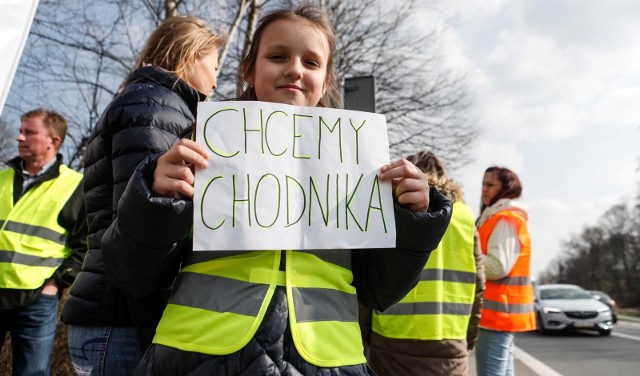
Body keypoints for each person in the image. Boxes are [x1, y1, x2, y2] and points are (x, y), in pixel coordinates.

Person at [101, 4, 452, 375]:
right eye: (278, 55)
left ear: (326, 81)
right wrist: (156, 201)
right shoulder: (201, 148)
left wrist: (413, 219)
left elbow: (380, 291)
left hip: (331, 360)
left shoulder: (359, 163)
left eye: (312, 63)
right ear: (248, 69)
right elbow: (132, 272)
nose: (295, 69)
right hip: (196, 356)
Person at [59, 15, 226, 375]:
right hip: (122, 321)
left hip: (114, 315)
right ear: (190, 55)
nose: (216, 80)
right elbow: (142, 226)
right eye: (214, 66)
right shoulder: (156, 108)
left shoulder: (149, 102)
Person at [359, 150, 485, 376]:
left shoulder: (393, 209)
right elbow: (478, 284)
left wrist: (364, 335)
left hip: (391, 337)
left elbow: (368, 274)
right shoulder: (465, 216)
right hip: (449, 338)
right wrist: (469, 338)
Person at [0, 109, 87, 375]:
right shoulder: (2, 178)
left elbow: (85, 243)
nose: (19, 137)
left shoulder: (75, 185)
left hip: (37, 299)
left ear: (54, 141)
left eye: (29, 132)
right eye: (21, 130)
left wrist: (57, 282)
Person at [474, 166, 535, 376]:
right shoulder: (496, 217)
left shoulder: (504, 219)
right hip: (498, 314)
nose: (484, 189)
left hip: (497, 316)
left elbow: (498, 267)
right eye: (483, 184)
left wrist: (466, 258)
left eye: (490, 185)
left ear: (506, 189)